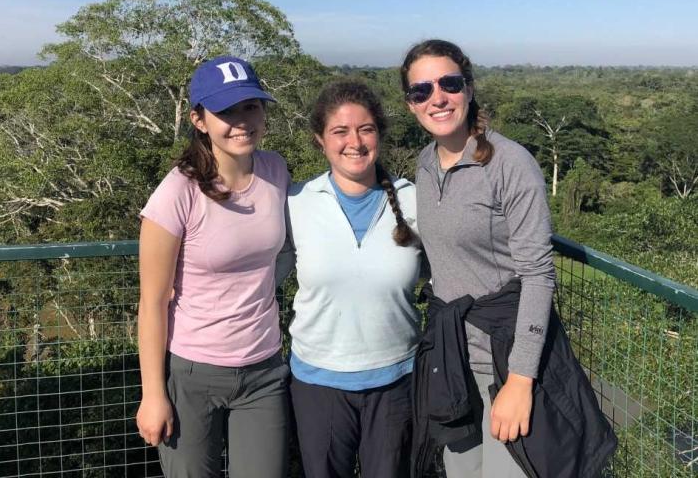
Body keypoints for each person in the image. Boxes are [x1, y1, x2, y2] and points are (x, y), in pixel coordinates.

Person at [401, 39, 616, 477]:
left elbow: (538, 274)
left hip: (505, 361)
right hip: (453, 362)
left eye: (449, 83)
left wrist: (520, 381)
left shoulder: (509, 164)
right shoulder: (425, 164)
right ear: (410, 104)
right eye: (421, 90)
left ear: (469, 87)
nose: (437, 98)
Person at [135, 56, 290, 478]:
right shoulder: (177, 193)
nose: (242, 121)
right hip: (192, 375)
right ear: (199, 120)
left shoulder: (276, 171)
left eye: (251, 106)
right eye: (225, 111)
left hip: (264, 370)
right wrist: (153, 395)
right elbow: (152, 302)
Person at [277, 80, 423, 478]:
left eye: (366, 129)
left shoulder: (414, 201)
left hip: (397, 380)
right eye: (340, 131)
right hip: (317, 382)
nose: (354, 142)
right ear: (320, 140)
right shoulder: (296, 202)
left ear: (379, 135)